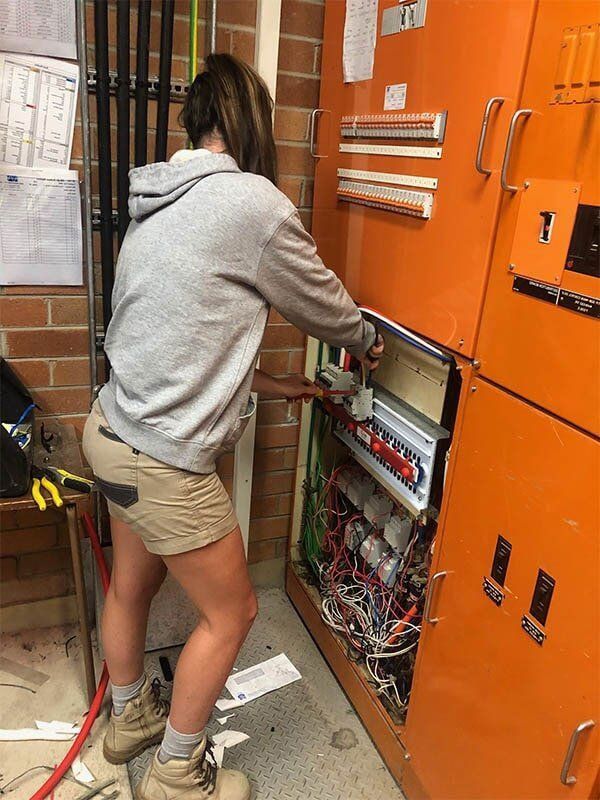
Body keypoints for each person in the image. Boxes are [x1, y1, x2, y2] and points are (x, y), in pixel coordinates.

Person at [82, 53, 384, 800]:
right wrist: (370, 344)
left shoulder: (158, 198)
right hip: (162, 463)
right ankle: (178, 774)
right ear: (253, 123)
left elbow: (175, 343)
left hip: (112, 431)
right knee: (235, 610)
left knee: (132, 586)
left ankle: (128, 722)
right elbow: (326, 308)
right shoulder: (252, 203)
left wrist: (276, 383)